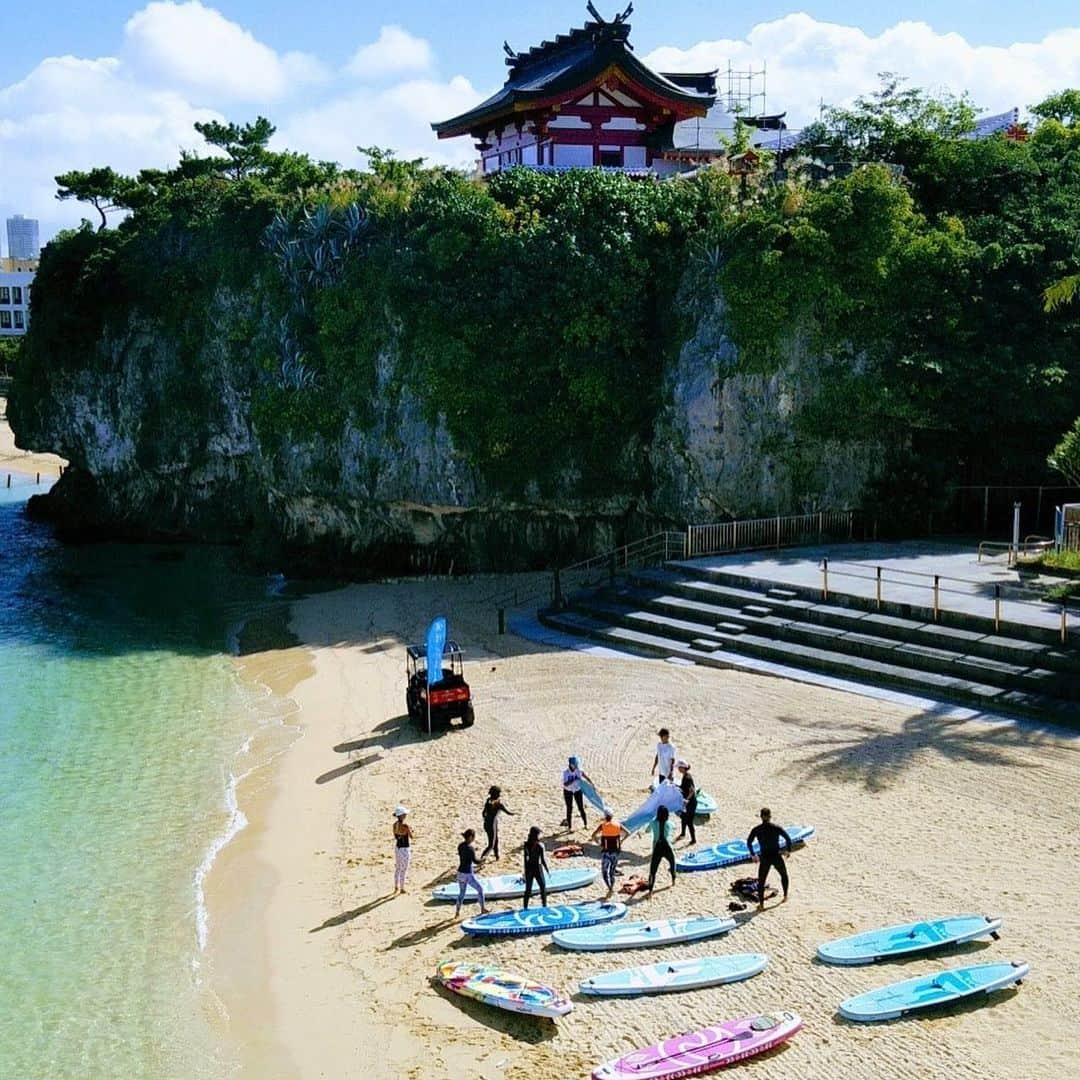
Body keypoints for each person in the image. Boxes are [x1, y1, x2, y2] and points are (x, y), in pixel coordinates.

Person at [747, 807, 793, 911]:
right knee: (784, 875)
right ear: (770, 816)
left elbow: (749, 842)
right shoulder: (776, 828)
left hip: (765, 858)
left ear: (761, 817)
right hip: (776, 856)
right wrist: (788, 850)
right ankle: (785, 896)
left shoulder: (757, 829)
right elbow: (788, 839)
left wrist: (753, 855)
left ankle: (762, 905)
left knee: (762, 881)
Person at [591, 810, 630, 899]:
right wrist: (621, 841)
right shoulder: (617, 825)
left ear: (605, 817)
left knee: (605, 871)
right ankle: (611, 887)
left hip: (606, 852)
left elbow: (593, 835)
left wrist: (598, 843)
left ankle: (610, 887)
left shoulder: (602, 826)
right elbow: (628, 833)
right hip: (616, 852)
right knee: (612, 871)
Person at [455, 828, 488, 918]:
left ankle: (457, 912)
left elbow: (464, 854)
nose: (474, 839)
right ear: (470, 837)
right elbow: (476, 861)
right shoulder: (470, 848)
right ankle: (483, 909)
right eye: (473, 837)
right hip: (468, 874)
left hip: (460, 873)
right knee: (480, 890)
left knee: (462, 893)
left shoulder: (460, 845)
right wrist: (483, 860)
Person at [646, 805, 676, 895]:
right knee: (672, 863)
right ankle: (673, 880)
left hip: (657, 847)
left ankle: (650, 890)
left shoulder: (653, 823)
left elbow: (647, 830)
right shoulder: (669, 824)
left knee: (653, 870)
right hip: (667, 847)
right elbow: (673, 828)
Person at [480, 785, 514, 861]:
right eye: (498, 793)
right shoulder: (498, 804)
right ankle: (482, 858)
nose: (499, 795)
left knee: (495, 840)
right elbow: (508, 812)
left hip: (486, 824)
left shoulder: (488, 801)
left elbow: (483, 813)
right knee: (491, 844)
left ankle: (497, 855)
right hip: (492, 825)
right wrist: (514, 813)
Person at [561, 756, 594, 829]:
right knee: (569, 808)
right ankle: (569, 827)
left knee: (581, 807)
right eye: (575, 764)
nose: (576, 766)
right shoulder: (566, 772)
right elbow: (565, 784)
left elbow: (586, 777)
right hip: (568, 791)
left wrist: (591, 784)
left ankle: (585, 824)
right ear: (570, 764)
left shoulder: (579, 770)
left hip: (577, 790)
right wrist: (574, 780)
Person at [522, 825, 549, 909]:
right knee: (542, 887)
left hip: (530, 868)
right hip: (537, 868)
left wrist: (526, 872)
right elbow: (543, 860)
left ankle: (526, 907)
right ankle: (544, 905)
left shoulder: (527, 845)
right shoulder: (539, 846)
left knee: (529, 889)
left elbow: (525, 860)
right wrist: (546, 869)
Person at [392, 806, 414, 894]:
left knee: (397, 868)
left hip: (397, 848)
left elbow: (396, 837)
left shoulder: (394, 825)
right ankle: (402, 888)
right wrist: (410, 830)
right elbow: (411, 836)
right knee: (404, 869)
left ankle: (396, 886)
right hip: (405, 848)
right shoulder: (405, 826)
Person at [675, 760, 697, 845]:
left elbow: (692, 791)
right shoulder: (684, 776)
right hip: (686, 802)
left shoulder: (688, 778)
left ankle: (693, 839)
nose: (678, 769)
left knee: (689, 821)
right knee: (683, 818)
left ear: (683, 768)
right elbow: (683, 788)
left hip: (690, 803)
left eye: (679, 767)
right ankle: (683, 833)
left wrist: (686, 800)